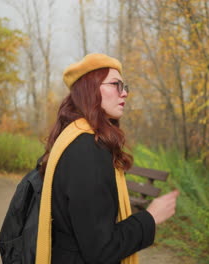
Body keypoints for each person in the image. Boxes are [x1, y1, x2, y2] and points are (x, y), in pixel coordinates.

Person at [38, 53, 179, 264]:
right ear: (90, 89)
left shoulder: (70, 138)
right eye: (116, 85)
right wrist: (151, 217)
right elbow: (101, 250)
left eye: (125, 87)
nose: (125, 94)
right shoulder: (87, 150)